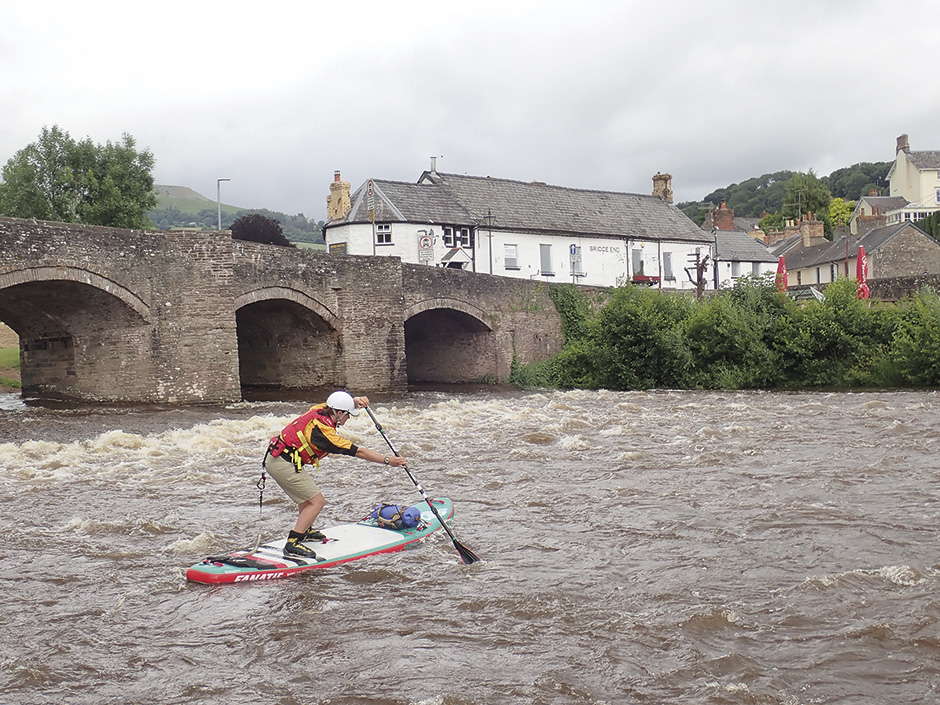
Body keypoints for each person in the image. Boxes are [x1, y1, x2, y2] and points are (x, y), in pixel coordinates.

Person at [263, 390, 408, 559]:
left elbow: (335, 404)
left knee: (306, 498)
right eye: (348, 415)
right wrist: (388, 460)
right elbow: (358, 452)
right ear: (339, 413)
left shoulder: (319, 410)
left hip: (280, 459)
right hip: (282, 463)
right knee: (317, 502)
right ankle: (293, 543)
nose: (347, 420)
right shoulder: (326, 435)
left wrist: (354, 401)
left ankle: (306, 530)